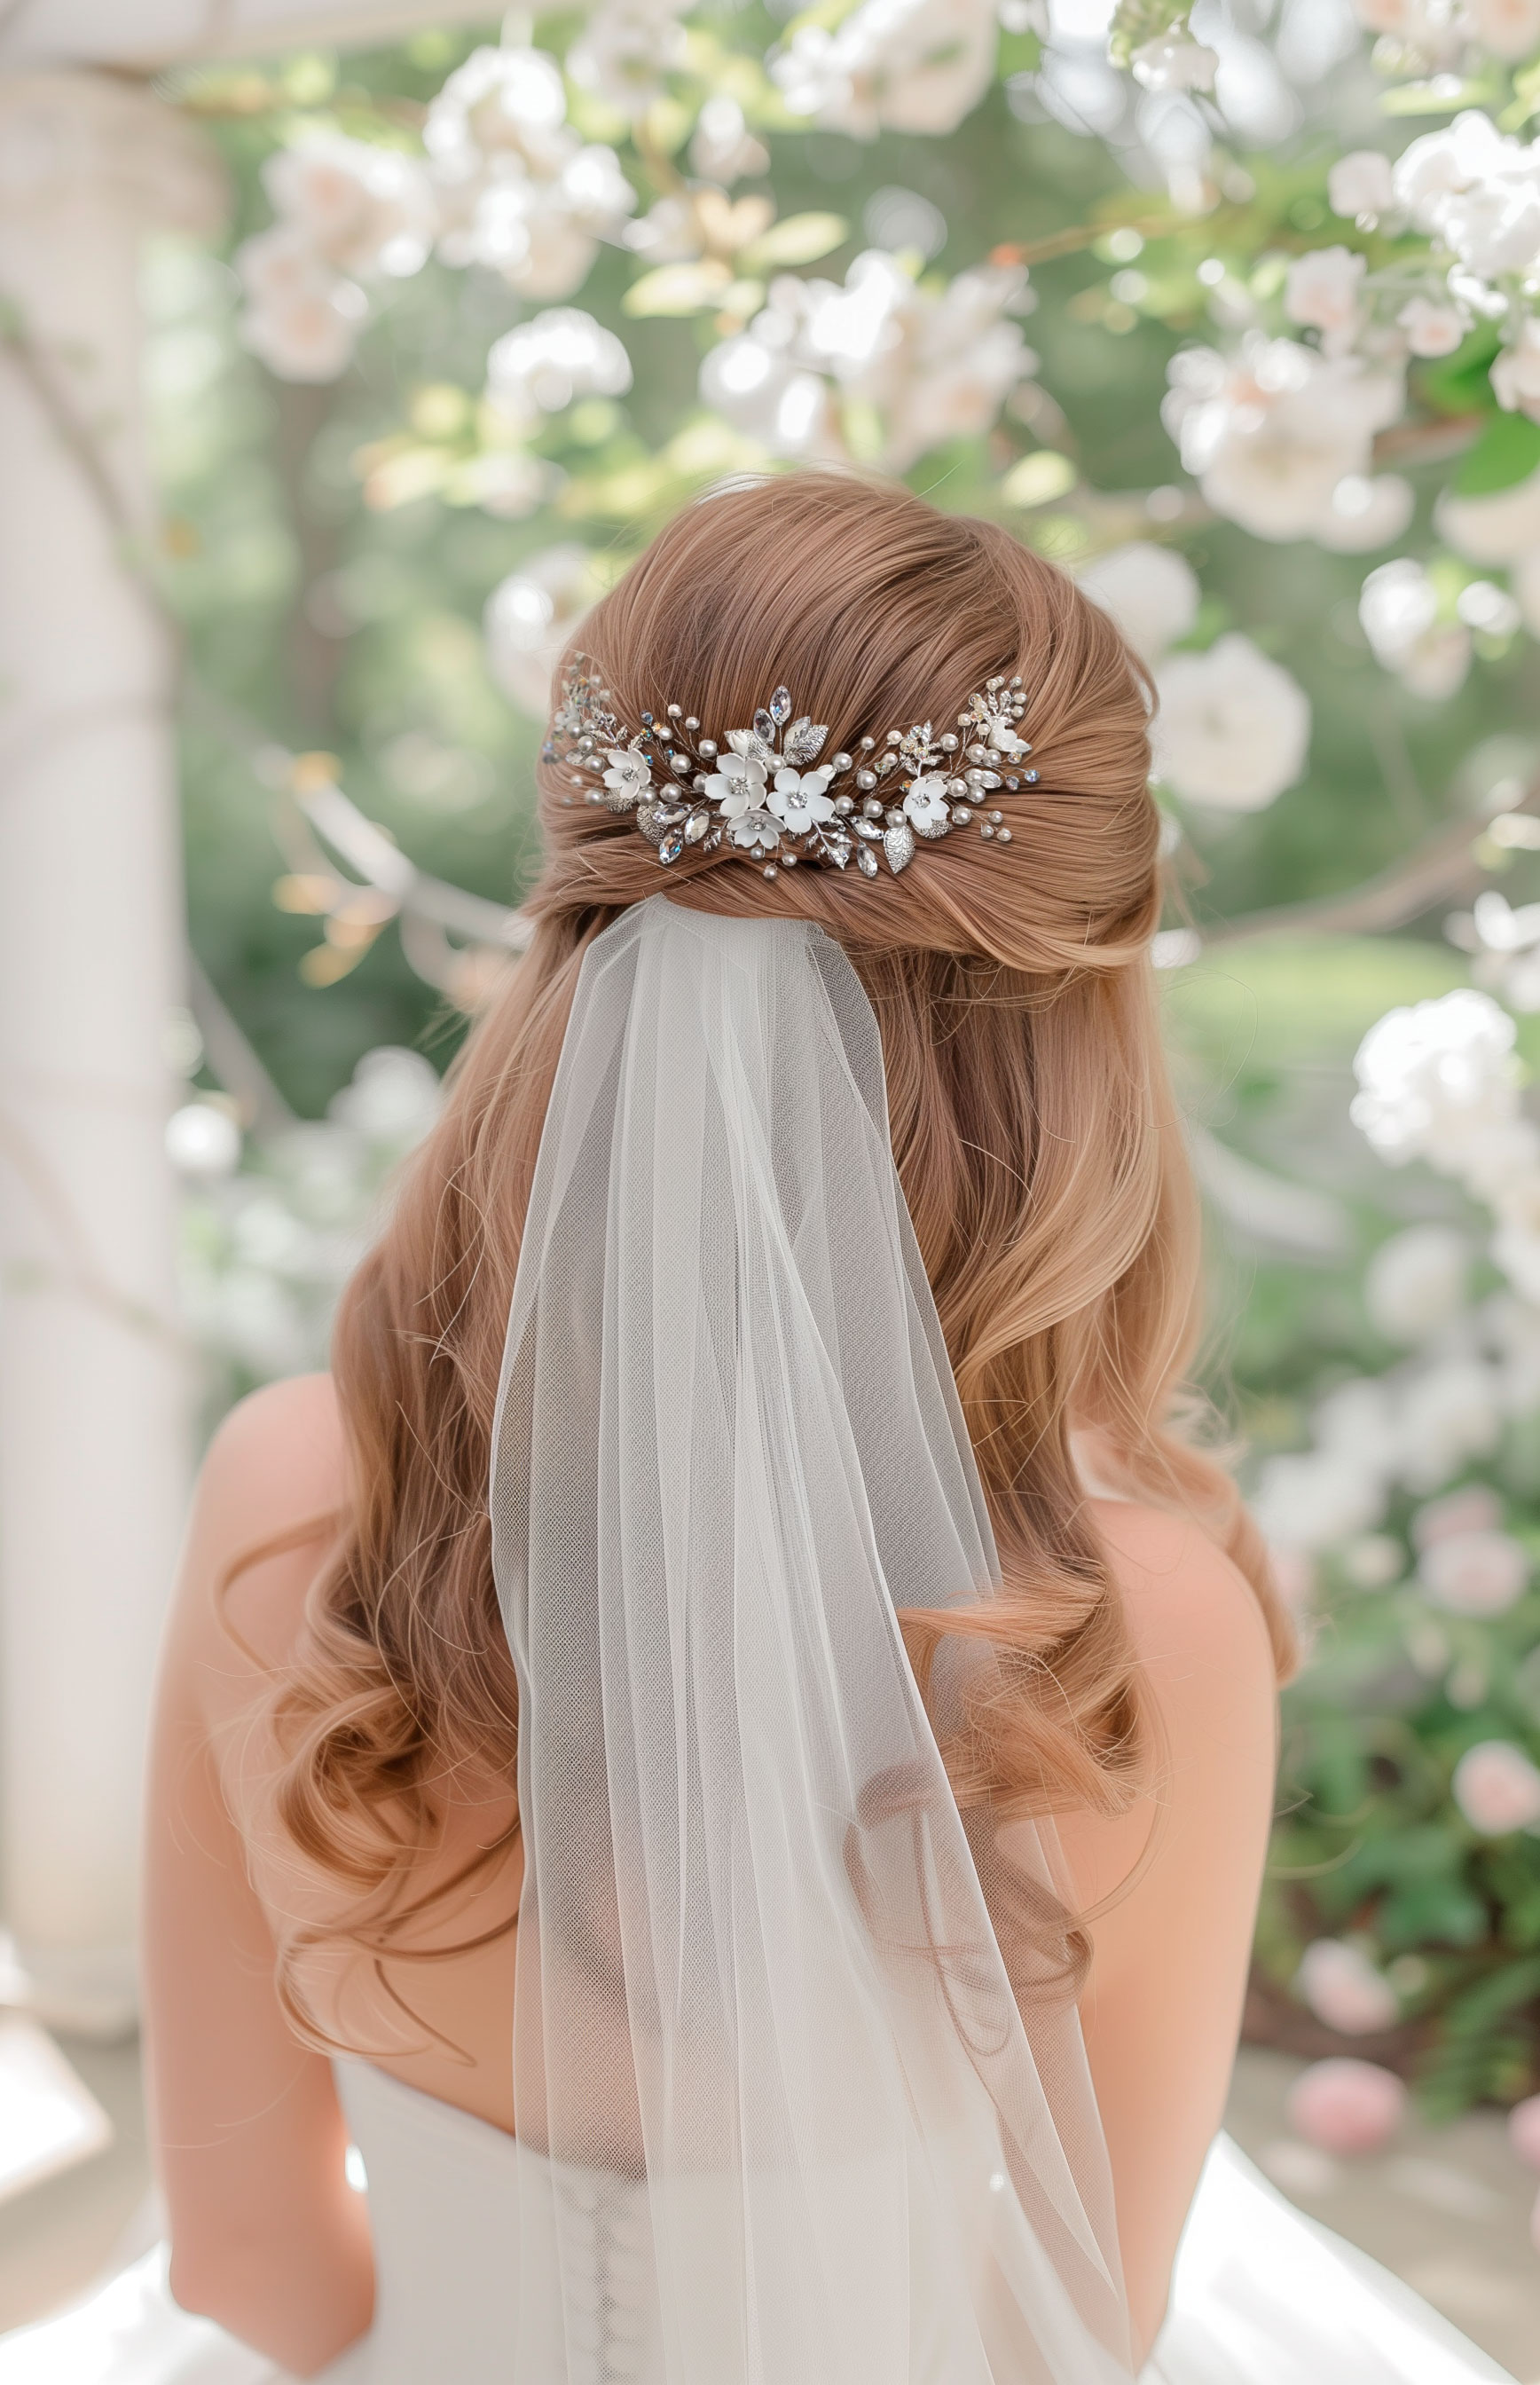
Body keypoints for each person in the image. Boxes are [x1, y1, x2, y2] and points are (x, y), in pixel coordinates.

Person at [0, 475, 1515, 2385]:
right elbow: (1077, 2331)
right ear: (1073, 1039)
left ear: (578, 949)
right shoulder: (1130, 1643)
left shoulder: (294, 1496)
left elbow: (247, 2268)